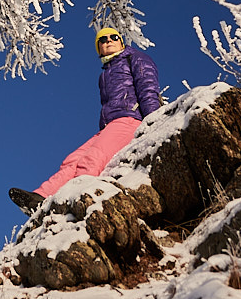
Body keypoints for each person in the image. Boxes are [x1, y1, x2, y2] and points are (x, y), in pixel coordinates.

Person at [9, 27, 161, 215]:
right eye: (103, 40)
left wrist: (154, 120)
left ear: (121, 41)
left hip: (130, 119)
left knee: (92, 159)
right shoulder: (106, 73)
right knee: (72, 160)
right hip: (110, 125)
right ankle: (41, 198)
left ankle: (76, 201)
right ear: (99, 48)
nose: (108, 41)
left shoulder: (135, 58)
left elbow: (147, 88)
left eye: (113, 37)